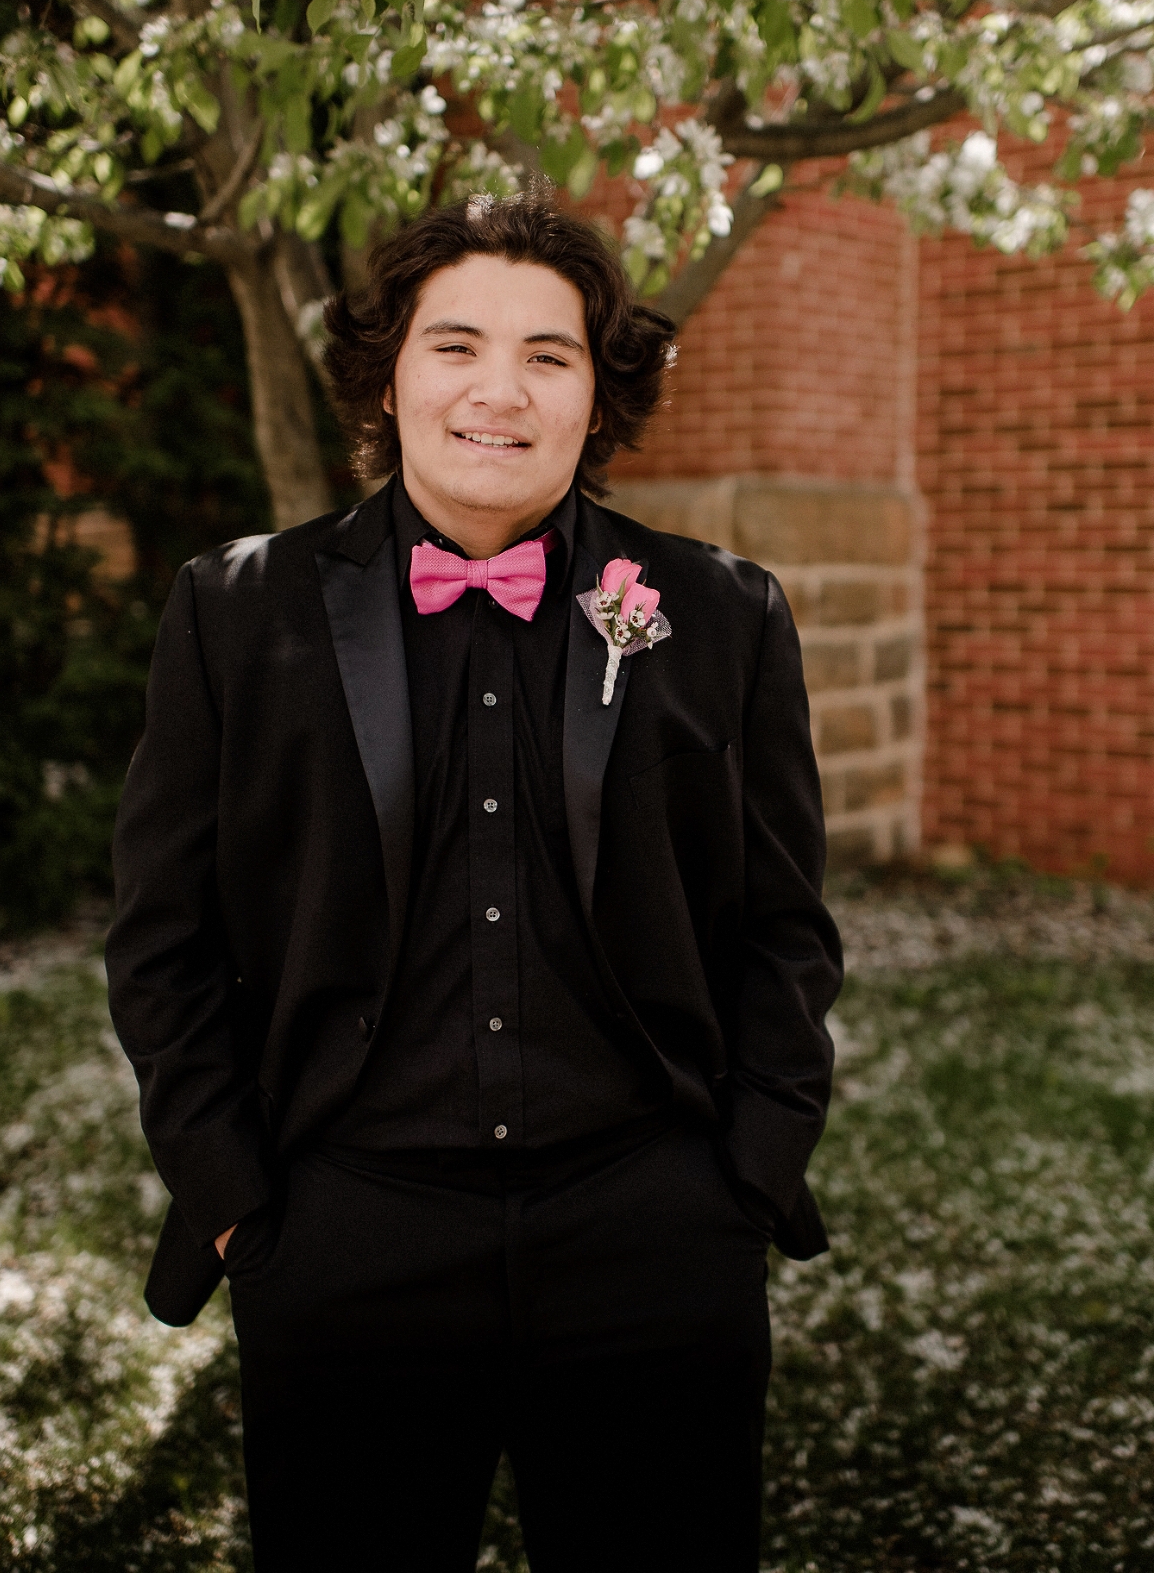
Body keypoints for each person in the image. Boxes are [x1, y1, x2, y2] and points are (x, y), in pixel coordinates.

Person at [106, 190, 843, 1572]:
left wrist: (745, 1178)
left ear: (597, 393)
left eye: (548, 355)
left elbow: (785, 930)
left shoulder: (723, 613)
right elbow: (163, 938)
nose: (498, 390)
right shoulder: (235, 606)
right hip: (341, 1242)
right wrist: (235, 1203)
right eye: (455, 345)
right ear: (387, 371)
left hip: (654, 1239)